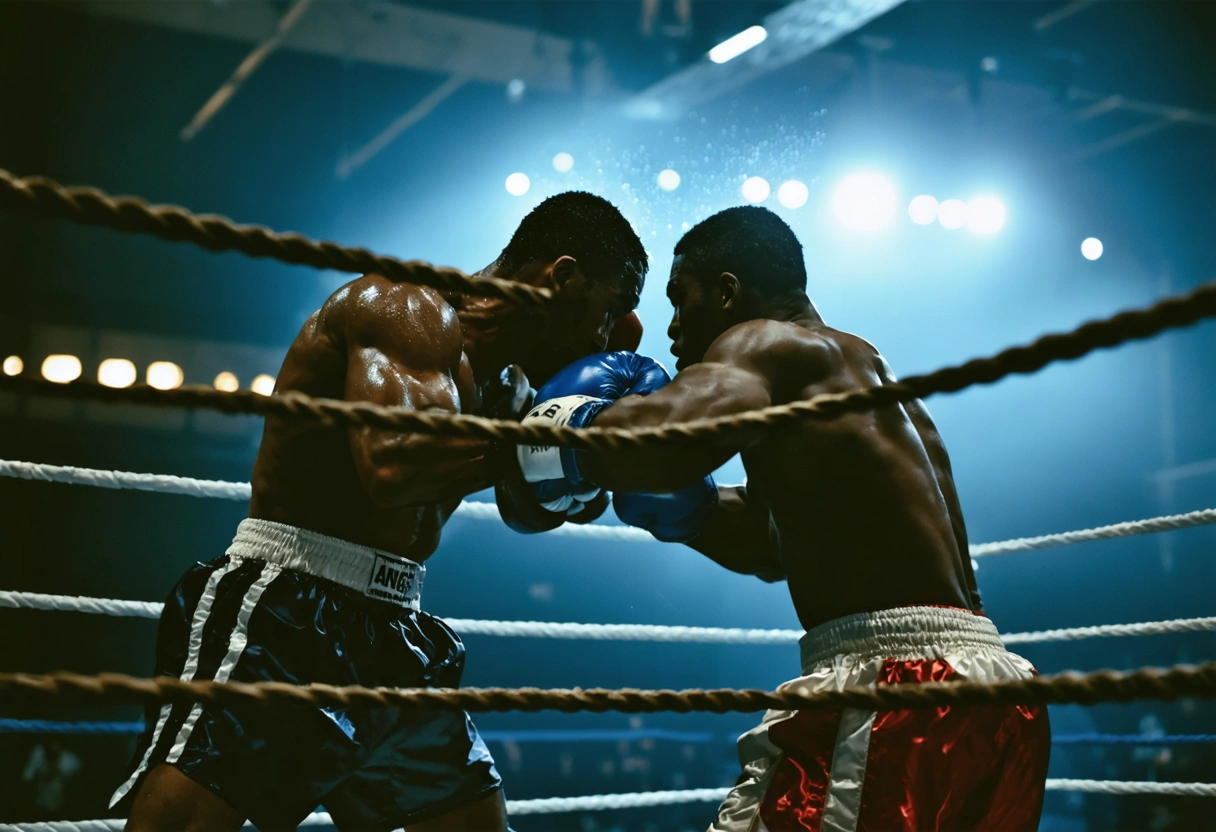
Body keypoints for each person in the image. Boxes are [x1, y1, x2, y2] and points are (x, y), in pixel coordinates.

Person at [111, 191, 648, 832]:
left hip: (397, 629)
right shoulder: (405, 307)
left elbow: (523, 510)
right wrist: (553, 445)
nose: (604, 336)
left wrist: (583, 468)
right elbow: (393, 467)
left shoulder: (511, 382)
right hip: (291, 604)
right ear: (559, 277)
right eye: (608, 308)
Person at [510, 206, 1051, 832]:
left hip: (895, 691)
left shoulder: (762, 343)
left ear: (728, 291)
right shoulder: (857, 369)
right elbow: (776, 544)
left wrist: (556, 429)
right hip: (994, 693)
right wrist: (690, 513)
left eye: (680, 301)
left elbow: (662, 444)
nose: (675, 331)